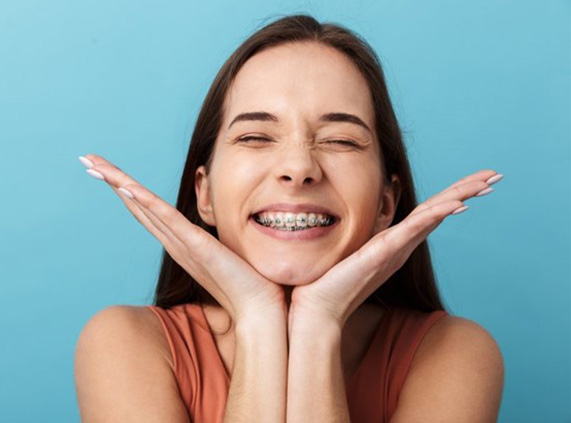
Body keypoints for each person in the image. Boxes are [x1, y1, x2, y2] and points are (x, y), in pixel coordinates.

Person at [73, 14, 504, 423]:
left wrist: (318, 324)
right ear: (203, 194)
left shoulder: (454, 353)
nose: (299, 168)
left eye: (340, 140)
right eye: (256, 136)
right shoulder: (124, 344)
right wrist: (258, 319)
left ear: (386, 205)